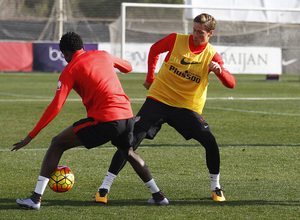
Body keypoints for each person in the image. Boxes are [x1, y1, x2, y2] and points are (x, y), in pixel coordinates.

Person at [11, 32, 168, 210]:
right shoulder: (103, 55)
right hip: (127, 116)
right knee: (128, 153)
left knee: (57, 143)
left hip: (106, 120)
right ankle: (158, 195)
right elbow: (129, 67)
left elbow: (55, 107)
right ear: (83, 46)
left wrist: (30, 136)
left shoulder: (70, 69)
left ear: (64, 53)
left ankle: (35, 198)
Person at [97, 13, 236, 203]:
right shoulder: (175, 39)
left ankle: (216, 187)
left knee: (210, 141)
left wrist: (220, 72)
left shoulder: (211, 55)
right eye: (193, 30)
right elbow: (154, 50)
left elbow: (231, 83)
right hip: (159, 99)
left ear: (210, 33)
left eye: (200, 32)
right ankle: (104, 188)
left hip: (186, 108)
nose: (194, 35)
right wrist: (150, 78)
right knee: (129, 141)